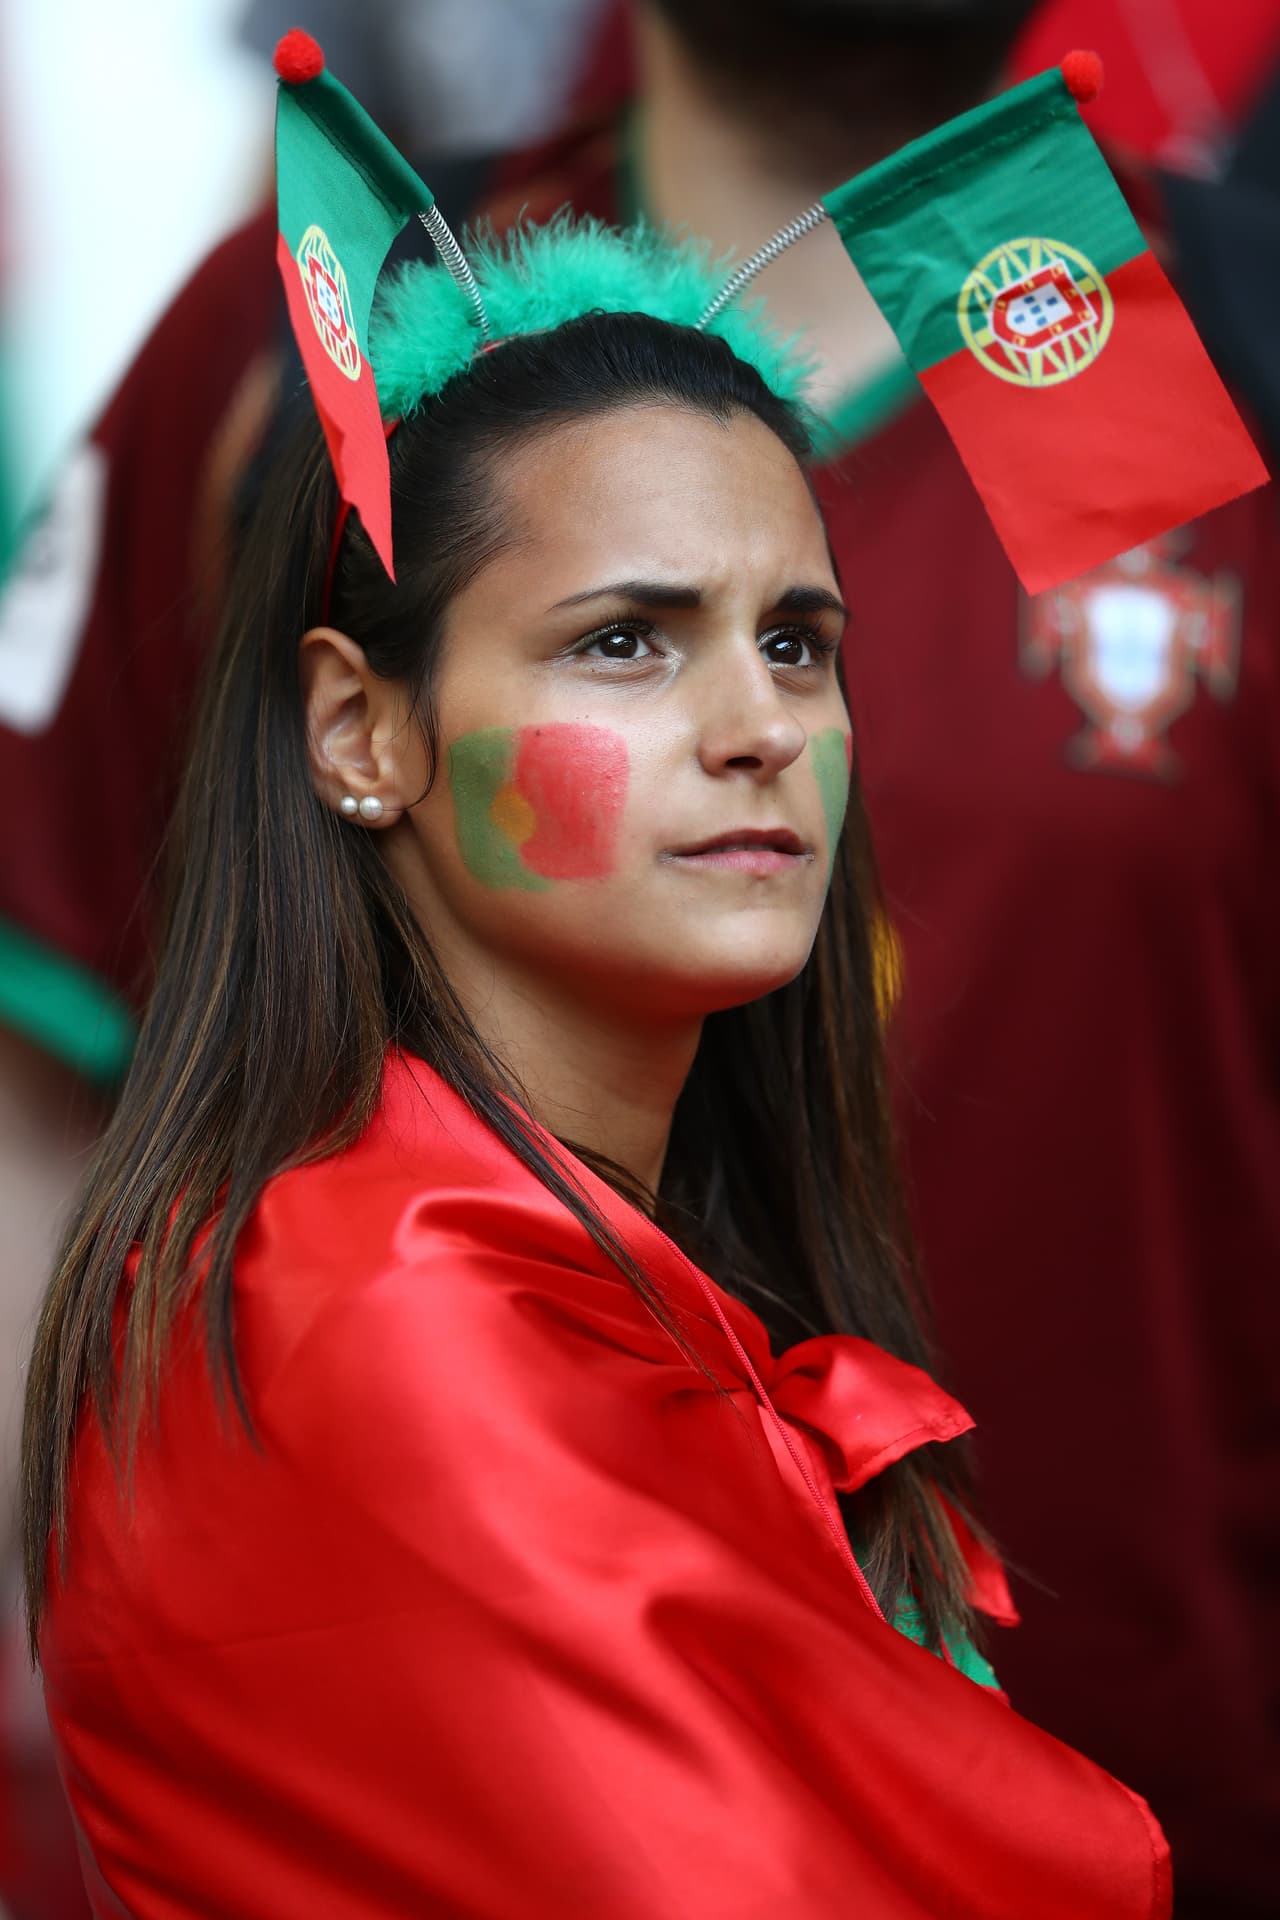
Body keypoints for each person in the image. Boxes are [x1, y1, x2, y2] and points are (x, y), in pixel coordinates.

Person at [3, 7, 1277, 1914]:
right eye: (623, 638)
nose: (758, 727)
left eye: (802, 645)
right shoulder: (300, 344)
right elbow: (38, 1089)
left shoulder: (1225, 343)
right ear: (354, 726)